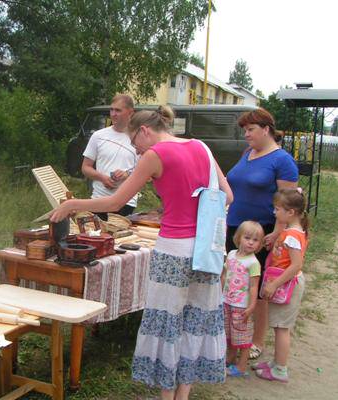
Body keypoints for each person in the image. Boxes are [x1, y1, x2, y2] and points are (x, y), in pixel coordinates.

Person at [51, 106, 233, 400]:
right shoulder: (202, 147)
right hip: (204, 252)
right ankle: (182, 396)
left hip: (173, 250)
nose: (136, 153)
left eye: (135, 145)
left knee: (167, 324)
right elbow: (229, 196)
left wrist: (73, 205)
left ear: (145, 131)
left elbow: (114, 202)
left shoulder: (155, 155)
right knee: (192, 322)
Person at [226, 108, 298, 360]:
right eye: (244, 130)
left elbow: (287, 203)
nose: (246, 134)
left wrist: (277, 233)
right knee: (234, 281)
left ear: (266, 129)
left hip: (263, 233)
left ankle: (256, 341)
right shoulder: (248, 153)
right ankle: (233, 337)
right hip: (236, 229)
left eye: (250, 129)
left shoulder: (282, 160)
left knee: (256, 288)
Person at [253, 188, 308, 383]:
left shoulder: (292, 236)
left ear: (290, 212)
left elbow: (296, 265)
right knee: (277, 325)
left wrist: (274, 284)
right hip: (283, 283)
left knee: (281, 328)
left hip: (286, 284)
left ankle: (281, 369)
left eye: (277, 209)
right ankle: (276, 362)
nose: (274, 213)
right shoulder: (289, 231)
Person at [82, 94, 138, 220]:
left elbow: (147, 174)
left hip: (126, 202)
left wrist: (126, 175)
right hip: (99, 200)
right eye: (111, 110)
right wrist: (102, 178)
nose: (113, 114)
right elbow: (86, 168)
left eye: (118, 110)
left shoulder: (138, 137)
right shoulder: (98, 136)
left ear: (130, 112)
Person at [221, 221, 264, 378]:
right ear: (238, 238)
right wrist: (220, 294)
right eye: (247, 238)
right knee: (229, 334)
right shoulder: (231, 255)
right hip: (227, 301)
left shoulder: (253, 263)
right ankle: (230, 359)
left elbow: (254, 286)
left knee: (243, 338)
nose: (251, 242)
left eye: (255, 240)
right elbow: (225, 275)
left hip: (241, 306)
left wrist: (251, 306)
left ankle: (241, 367)